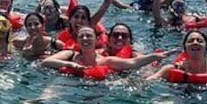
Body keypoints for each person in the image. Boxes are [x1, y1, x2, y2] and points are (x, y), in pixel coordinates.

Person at [42, 26, 171, 79]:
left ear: (97, 39)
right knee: (54, 88)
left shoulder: (106, 60)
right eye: (81, 36)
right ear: (77, 40)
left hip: (99, 89)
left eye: (89, 36)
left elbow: (133, 62)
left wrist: (155, 56)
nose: (85, 39)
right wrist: (71, 65)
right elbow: (46, 62)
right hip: (70, 84)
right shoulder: (70, 55)